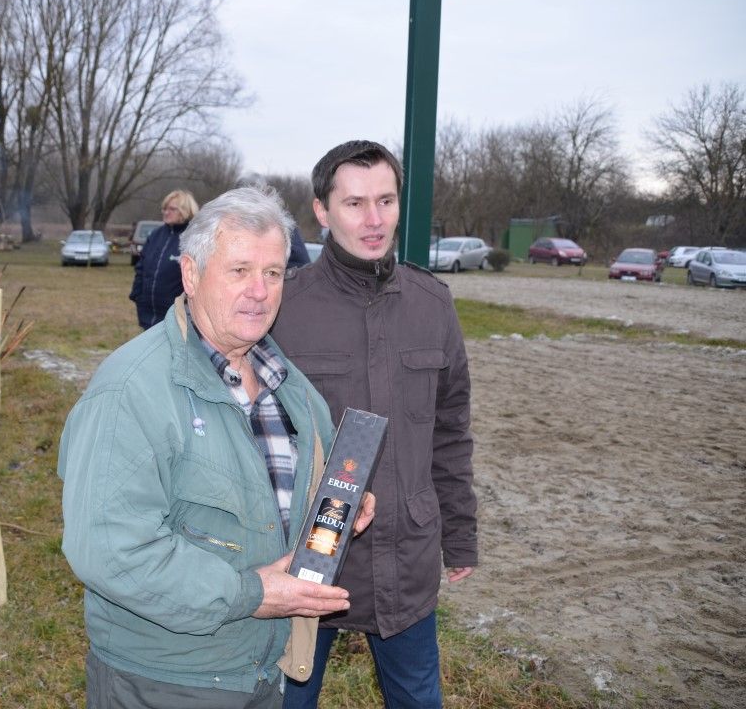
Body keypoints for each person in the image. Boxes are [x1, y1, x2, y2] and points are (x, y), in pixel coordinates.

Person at [59, 187, 376, 707]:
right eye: (239, 270)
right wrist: (253, 594)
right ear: (191, 273)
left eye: (273, 273)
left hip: (261, 673)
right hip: (163, 681)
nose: (259, 291)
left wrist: (336, 506)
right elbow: (111, 551)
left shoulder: (289, 386)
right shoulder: (130, 390)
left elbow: (287, 498)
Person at [270, 140, 478, 709]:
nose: (374, 219)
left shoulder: (433, 304)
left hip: (406, 562)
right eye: (355, 203)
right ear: (322, 210)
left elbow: (450, 432)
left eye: (385, 201)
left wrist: (459, 533)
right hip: (305, 562)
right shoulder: (284, 308)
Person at [128, 189, 200, 329]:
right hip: (148, 313)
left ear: (185, 210)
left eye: (172, 209)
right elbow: (141, 267)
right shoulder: (156, 235)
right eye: (164, 208)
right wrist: (137, 296)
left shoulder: (193, 238)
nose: (166, 212)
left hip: (178, 317)